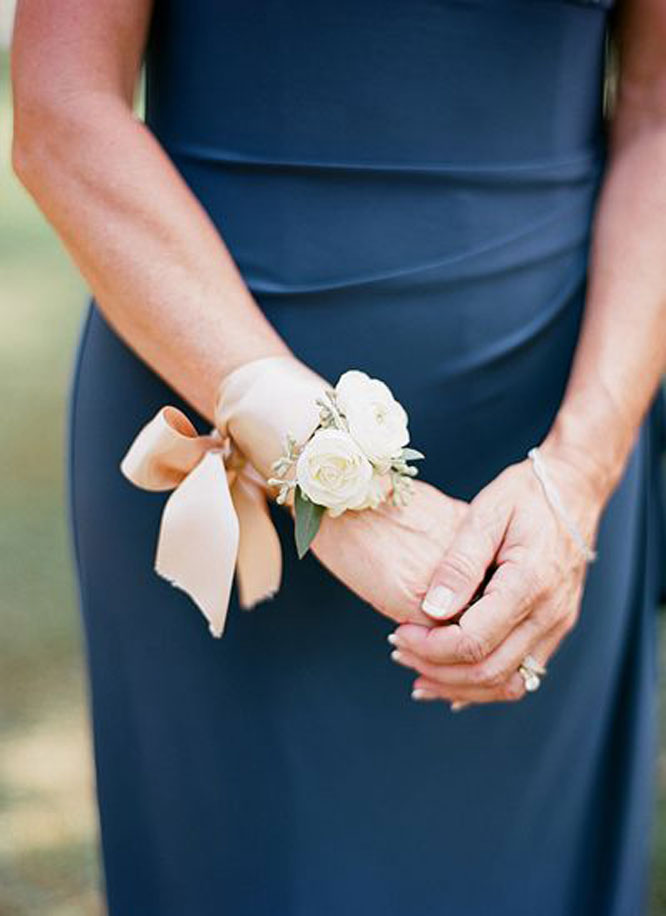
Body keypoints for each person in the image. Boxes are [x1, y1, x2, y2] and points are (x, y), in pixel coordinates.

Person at [11, 1, 666, 913]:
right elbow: (60, 109)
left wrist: (582, 469)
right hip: (206, 391)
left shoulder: (569, 477)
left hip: (551, 459)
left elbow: (660, 114)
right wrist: (339, 484)